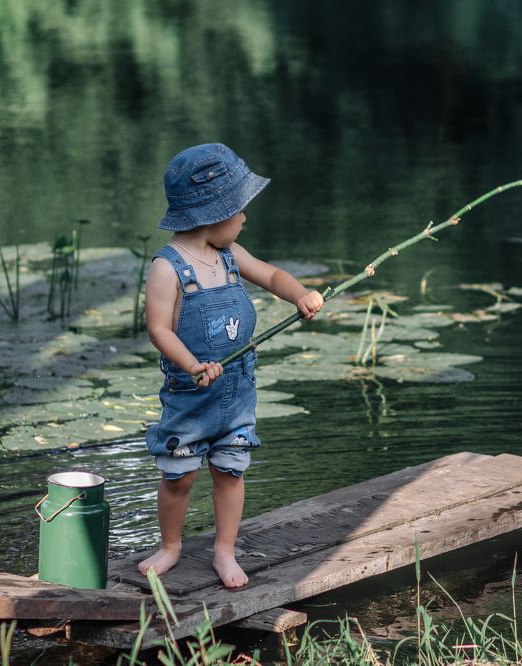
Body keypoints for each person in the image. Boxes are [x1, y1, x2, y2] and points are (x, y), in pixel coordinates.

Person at [138, 143, 324, 588]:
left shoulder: (230, 254)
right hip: (191, 394)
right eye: (238, 210)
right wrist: (193, 364)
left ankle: (225, 551)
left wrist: (300, 295)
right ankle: (171, 546)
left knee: (230, 470)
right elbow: (159, 329)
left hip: (236, 392)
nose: (244, 218)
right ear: (212, 214)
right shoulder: (167, 268)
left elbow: (273, 275)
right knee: (179, 475)